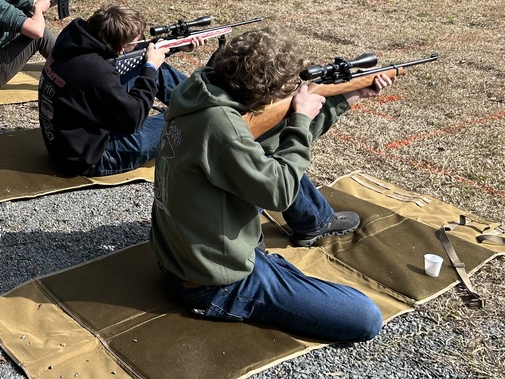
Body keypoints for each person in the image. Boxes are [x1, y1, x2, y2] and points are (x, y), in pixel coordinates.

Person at [150, 26, 392, 343]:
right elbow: (280, 191)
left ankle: (291, 246)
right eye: (285, 92)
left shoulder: (201, 96)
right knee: (365, 316)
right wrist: (301, 120)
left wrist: (349, 94)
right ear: (263, 97)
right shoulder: (224, 129)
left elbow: (272, 138)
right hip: (213, 284)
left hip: (183, 258)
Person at [39, 4, 206, 177]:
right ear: (119, 48)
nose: (140, 42)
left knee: (156, 69)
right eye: (135, 41)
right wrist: (150, 68)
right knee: (186, 119)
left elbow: (132, 57)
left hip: (69, 142)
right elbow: (133, 119)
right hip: (91, 157)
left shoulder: (75, 39)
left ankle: (201, 98)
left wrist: (174, 45)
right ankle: (205, 110)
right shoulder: (96, 70)